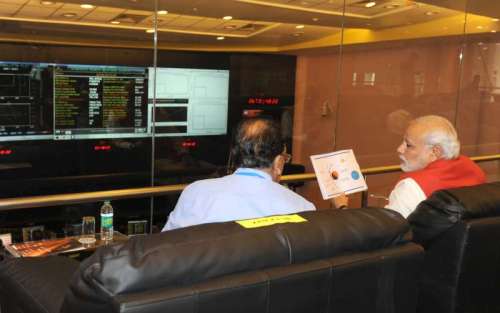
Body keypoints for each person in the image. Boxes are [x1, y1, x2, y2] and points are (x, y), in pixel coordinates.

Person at [162, 118, 316, 231]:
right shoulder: (302, 208)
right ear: (278, 163)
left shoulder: (196, 193)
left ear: (234, 155)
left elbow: (167, 246)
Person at [333, 115, 486, 218]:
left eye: (409, 145)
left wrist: (342, 208)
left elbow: (382, 236)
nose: (399, 149)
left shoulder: (411, 186)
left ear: (435, 152)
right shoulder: (474, 169)